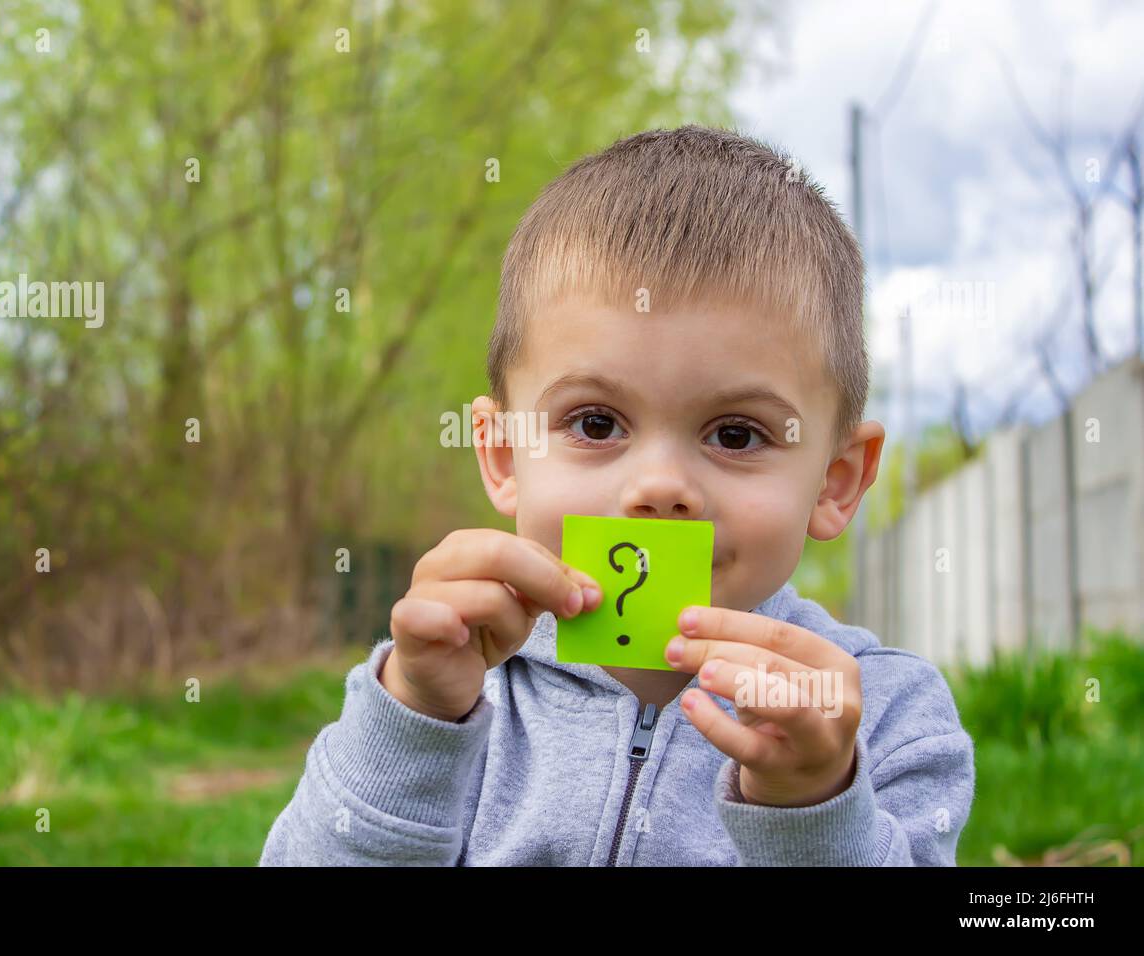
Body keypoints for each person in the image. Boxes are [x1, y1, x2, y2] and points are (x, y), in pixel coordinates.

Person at [259, 125, 975, 866]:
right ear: (505, 455)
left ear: (835, 481)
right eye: (596, 423)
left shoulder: (883, 714)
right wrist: (415, 725)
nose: (660, 487)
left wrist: (815, 811)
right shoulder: (439, 687)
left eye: (735, 435)